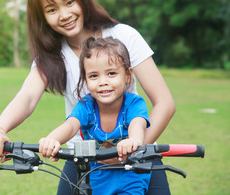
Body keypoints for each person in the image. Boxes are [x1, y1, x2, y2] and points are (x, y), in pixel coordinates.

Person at [0, 0, 175, 195]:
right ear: (43, 18)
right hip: (82, 157)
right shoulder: (50, 57)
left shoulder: (124, 36)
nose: (64, 15)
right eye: (51, 10)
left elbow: (165, 103)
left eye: (69, 2)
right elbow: (27, 97)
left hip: (137, 155)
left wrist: (131, 151)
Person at [39, 37, 151, 195]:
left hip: (131, 174)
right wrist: (52, 139)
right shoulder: (86, 106)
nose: (102, 82)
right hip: (97, 174)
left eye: (111, 73)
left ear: (128, 75)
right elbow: (71, 125)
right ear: (85, 80)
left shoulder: (134, 104)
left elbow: (137, 124)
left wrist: (134, 141)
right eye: (93, 76)